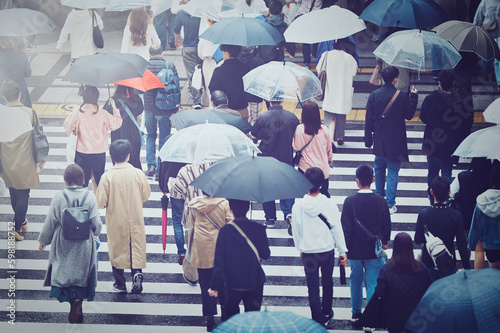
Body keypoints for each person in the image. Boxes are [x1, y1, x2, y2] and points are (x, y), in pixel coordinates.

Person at [38, 164, 102, 324]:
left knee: (64, 270)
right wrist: (93, 233)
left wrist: (43, 241)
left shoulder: (59, 197)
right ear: (82, 179)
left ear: (65, 180)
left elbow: (50, 222)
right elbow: (97, 224)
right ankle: (78, 299)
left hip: (63, 241)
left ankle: (71, 301)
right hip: (84, 242)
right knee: (82, 272)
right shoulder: (90, 197)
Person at [292, 167, 347, 326]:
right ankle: (327, 312)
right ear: (322, 184)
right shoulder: (329, 204)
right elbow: (337, 228)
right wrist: (343, 251)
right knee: (328, 282)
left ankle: (317, 318)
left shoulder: (298, 206)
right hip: (327, 250)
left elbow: (297, 230)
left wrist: (300, 248)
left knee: (312, 286)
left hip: (309, 251)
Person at [96, 140, 151, 293]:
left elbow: (100, 202)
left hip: (116, 219)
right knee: (136, 245)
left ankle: (120, 283)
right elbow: (146, 195)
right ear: (128, 155)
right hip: (135, 217)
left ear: (112, 157)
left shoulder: (107, 177)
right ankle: (137, 273)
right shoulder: (138, 173)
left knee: (117, 248)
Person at [364, 66, 418, 214]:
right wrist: (413, 96)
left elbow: (368, 119)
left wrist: (368, 140)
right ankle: (390, 204)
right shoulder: (401, 96)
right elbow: (409, 115)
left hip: (380, 141)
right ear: (395, 80)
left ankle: (380, 199)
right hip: (396, 141)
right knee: (393, 172)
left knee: (379, 170)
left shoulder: (374, 95)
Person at [340, 165, 391, 323]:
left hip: (354, 249)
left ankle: (356, 312)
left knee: (355, 279)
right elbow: (386, 223)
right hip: (373, 249)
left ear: (357, 181)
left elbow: (346, 228)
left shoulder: (349, 201)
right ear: (373, 180)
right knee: (372, 281)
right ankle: (372, 315)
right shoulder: (380, 200)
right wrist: (384, 242)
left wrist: (344, 251)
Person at [208, 199, 271, 321]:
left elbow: (219, 262)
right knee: (253, 319)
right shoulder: (259, 229)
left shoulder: (224, 231)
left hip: (232, 283)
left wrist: (214, 285)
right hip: (254, 280)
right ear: (248, 208)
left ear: (230, 210)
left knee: (230, 319)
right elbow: (266, 254)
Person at [360, 232, 433, 333]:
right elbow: (430, 289)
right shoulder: (421, 268)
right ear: (411, 247)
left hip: (394, 316)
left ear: (395, 248)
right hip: (417, 315)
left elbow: (380, 292)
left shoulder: (387, 269)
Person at [0, 79, 45, 241]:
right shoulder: (29, 113)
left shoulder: (1, 113)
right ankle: (16, 227)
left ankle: (22, 220)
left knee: (13, 191)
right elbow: (39, 137)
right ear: (20, 95)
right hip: (25, 162)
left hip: (6, 162)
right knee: (23, 194)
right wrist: (42, 158)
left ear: (4, 97)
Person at [251, 98, 300, 228]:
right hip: (286, 157)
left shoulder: (263, 117)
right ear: (282, 101)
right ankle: (288, 213)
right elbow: (297, 134)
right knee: (286, 186)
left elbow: (255, 134)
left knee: (267, 187)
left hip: (267, 157)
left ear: (270, 101)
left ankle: (270, 219)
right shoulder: (292, 117)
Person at [63, 86, 123, 191]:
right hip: (98, 153)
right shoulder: (103, 114)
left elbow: (67, 127)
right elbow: (117, 123)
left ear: (84, 97)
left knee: (82, 182)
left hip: (81, 152)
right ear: (97, 98)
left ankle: (84, 204)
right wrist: (114, 107)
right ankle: (97, 204)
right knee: (97, 181)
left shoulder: (77, 113)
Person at [188, 194, 234, 331]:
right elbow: (231, 223)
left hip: (202, 248)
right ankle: (225, 314)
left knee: (205, 284)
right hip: (219, 246)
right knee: (223, 283)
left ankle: (209, 317)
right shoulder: (224, 203)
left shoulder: (195, 204)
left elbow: (192, 223)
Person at [414, 177, 471, 280]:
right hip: (448, 262)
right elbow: (461, 243)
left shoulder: (423, 214)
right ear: (449, 192)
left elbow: (418, 240)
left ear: (432, 192)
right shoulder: (456, 215)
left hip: (428, 261)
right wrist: (467, 267)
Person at [169, 161, 215, 285]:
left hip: (193, 216)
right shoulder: (218, 167)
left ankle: (192, 276)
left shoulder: (186, 171)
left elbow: (176, 193)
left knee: (192, 248)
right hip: (215, 216)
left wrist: (171, 182)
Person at [420, 70, 466, 191]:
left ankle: (432, 197)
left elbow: (423, 118)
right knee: (447, 173)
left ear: (439, 83)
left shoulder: (430, 99)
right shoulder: (458, 104)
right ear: (453, 83)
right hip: (449, 144)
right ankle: (446, 198)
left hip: (432, 142)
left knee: (432, 173)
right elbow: (461, 127)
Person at [143, 44, 179, 178]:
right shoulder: (170, 66)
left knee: (151, 136)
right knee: (164, 139)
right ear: (162, 54)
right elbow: (176, 89)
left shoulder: (145, 67)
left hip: (150, 110)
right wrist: (175, 109)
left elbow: (140, 89)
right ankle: (161, 168)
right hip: (166, 109)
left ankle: (150, 165)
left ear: (150, 54)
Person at [450, 158, 493, 263]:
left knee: (465, 246)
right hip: (482, 215)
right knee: (479, 249)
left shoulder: (462, 176)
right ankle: (478, 273)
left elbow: (451, 193)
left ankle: (466, 269)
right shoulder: (490, 178)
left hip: (465, 216)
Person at [317, 40, 358, 147]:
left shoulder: (326, 55)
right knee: (341, 113)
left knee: (329, 114)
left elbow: (319, 69)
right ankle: (340, 137)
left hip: (330, 87)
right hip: (343, 89)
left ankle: (330, 138)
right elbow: (354, 72)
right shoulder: (349, 58)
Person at [293, 101, 333, 199]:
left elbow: (297, 147)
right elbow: (329, 148)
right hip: (322, 170)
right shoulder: (324, 129)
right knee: (323, 196)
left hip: (305, 169)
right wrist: (330, 160)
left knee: (306, 196)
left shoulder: (299, 129)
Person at [103, 85, 144, 170]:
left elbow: (106, 114)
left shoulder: (112, 100)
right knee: (134, 160)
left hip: (118, 132)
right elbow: (139, 111)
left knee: (118, 160)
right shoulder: (136, 99)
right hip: (133, 132)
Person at [468, 161, 500, 270]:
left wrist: (471, 243)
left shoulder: (482, 200)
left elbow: (476, 226)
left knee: (495, 275)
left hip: (491, 246)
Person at [209, 45, 250, 120]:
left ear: (227, 53)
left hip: (224, 112)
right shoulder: (246, 68)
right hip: (242, 110)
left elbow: (213, 90)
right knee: (242, 131)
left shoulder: (218, 71)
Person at [174, 4, 203, 109]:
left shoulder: (182, 12)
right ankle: (205, 95)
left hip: (189, 47)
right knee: (203, 71)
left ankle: (197, 100)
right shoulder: (203, 10)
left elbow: (176, 29)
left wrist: (176, 41)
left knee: (192, 74)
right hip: (202, 46)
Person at [474, 0, 500, 87]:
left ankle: (499, 81)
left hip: (499, 34)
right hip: (488, 33)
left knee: (498, 59)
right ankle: (486, 75)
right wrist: (475, 28)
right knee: (486, 55)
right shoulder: (485, 2)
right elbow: (478, 17)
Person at [237, 46, 265, 125]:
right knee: (255, 118)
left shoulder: (237, 61)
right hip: (256, 93)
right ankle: (253, 134)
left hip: (241, 93)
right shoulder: (258, 61)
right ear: (252, 50)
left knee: (243, 117)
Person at [0, 37, 32, 107]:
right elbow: (28, 73)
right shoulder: (21, 55)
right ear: (14, 42)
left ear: (1, 43)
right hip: (21, 96)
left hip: (3, 97)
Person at [295, 0, 322, 69]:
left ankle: (307, 63)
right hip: (317, 15)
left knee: (306, 40)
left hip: (305, 14)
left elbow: (297, 0)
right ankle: (316, 55)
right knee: (317, 38)